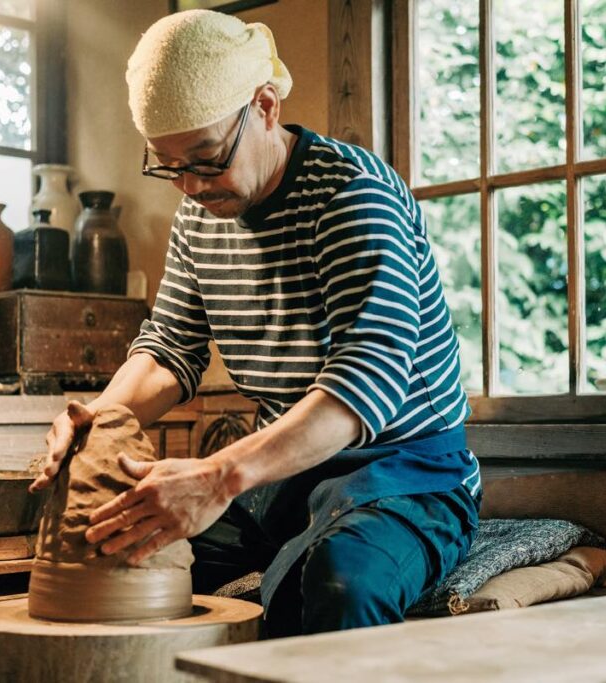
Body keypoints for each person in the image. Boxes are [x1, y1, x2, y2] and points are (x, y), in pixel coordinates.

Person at [31, 9, 481, 637]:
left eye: (207, 159)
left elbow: (366, 380)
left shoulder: (351, 195)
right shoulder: (201, 213)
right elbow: (171, 349)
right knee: (124, 547)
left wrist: (219, 475)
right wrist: (99, 422)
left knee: (338, 586)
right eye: (169, 165)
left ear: (265, 105)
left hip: (404, 472)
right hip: (284, 475)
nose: (189, 185)